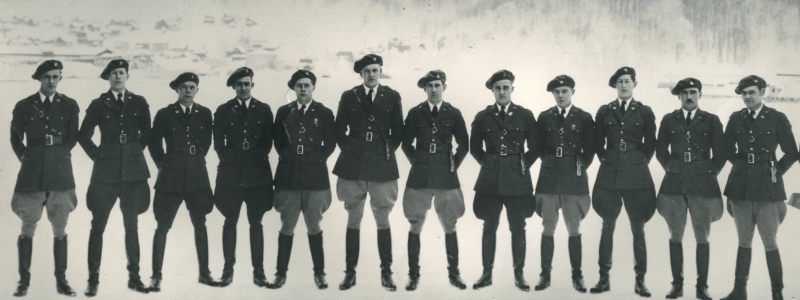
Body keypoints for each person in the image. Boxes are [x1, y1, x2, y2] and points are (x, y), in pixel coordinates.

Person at [77, 59, 152, 296]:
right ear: (107, 77)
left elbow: (147, 133)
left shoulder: (139, 102)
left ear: (127, 75)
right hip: (106, 172)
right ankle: (93, 279)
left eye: (121, 73)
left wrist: (133, 151)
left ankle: (135, 276)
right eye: (113, 74)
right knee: (98, 224)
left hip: (133, 173)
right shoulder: (99, 104)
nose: (117, 77)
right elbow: (83, 135)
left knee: (132, 225)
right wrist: (98, 156)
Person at [720, 75, 798, 300]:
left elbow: (791, 152)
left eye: (751, 92)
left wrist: (774, 170)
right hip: (740, 188)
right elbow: (727, 148)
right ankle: (739, 291)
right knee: (744, 241)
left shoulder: (777, 118)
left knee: (770, 242)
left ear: (762, 92)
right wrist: (740, 165)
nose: (747, 97)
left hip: (768, 189)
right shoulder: (736, 118)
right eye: (744, 93)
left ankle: (777, 294)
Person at [332, 54, 404, 291]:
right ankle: (350, 273)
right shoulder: (349, 96)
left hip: (382, 165)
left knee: (382, 217)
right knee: (354, 218)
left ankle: (386, 272)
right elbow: (339, 130)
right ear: (361, 74)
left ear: (381, 71)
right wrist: (353, 150)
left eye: (375, 70)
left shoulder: (392, 96)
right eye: (367, 71)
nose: (371, 75)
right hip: (353, 165)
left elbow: (399, 132)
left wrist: (384, 152)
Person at [10, 60, 80, 297]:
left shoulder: (69, 105)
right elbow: (16, 137)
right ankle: (24, 282)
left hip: (60, 174)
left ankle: (62, 281)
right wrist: (27, 157)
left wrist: (59, 155)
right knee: (27, 225)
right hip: (31, 174)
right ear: (39, 78)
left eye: (56, 76)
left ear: (60, 78)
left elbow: (73, 137)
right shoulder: (24, 106)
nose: (51, 81)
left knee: (60, 227)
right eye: (47, 77)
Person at [655, 78, 726, 300]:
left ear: (700, 95)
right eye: (684, 93)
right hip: (674, 184)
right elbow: (660, 150)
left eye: (693, 92)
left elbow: (721, 153)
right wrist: (670, 166)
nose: (689, 97)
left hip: (703, 184)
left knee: (702, 236)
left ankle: (701, 287)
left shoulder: (711, 120)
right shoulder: (669, 120)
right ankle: (677, 285)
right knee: (675, 234)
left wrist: (709, 171)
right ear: (679, 96)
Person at [590, 66, 657, 297]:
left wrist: (637, 162)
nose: (624, 85)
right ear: (615, 86)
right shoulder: (604, 111)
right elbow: (598, 144)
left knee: (637, 228)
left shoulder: (645, 112)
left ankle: (640, 281)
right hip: (609, 175)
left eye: (628, 81)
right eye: (620, 82)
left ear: (634, 84)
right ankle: (603, 278)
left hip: (637, 176)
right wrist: (610, 161)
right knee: (607, 227)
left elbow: (650, 145)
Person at [470, 70, 540, 292]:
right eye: (497, 88)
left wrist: (520, 165)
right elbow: (474, 148)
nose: (502, 91)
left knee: (518, 227)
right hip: (490, 181)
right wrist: (489, 163)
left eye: (505, 87)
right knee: (489, 226)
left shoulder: (526, 115)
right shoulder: (482, 116)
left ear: (512, 89)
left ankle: (519, 274)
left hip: (517, 180)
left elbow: (536, 147)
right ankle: (486, 273)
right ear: (492, 90)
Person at [147, 72, 217, 291]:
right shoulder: (165, 114)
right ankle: (156, 275)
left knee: (200, 223)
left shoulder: (204, 113)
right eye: (184, 87)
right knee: (163, 225)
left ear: (197, 90)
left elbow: (205, 144)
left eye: (192, 87)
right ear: (177, 90)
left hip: (197, 175)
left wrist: (193, 159)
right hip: (170, 177)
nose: (188, 91)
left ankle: (204, 273)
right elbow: (154, 144)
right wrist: (166, 165)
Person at [400, 70, 469, 291]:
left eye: (437, 85)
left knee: (450, 223)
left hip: (445, 175)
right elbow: (405, 143)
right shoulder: (415, 113)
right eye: (429, 86)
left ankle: (454, 273)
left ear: (444, 87)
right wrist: (417, 161)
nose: (433, 89)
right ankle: (413, 275)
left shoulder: (454, 113)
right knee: (415, 223)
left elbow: (464, 145)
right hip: (420, 175)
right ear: (425, 89)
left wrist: (452, 166)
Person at [270, 70, 336, 290]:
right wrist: (288, 157)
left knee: (314, 226)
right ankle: (280, 274)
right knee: (287, 225)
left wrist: (317, 159)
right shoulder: (284, 112)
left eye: (307, 85)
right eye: (299, 85)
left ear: (313, 87)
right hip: (288, 177)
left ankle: (320, 273)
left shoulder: (324, 113)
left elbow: (330, 143)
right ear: (294, 89)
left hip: (315, 178)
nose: (303, 89)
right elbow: (278, 141)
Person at [533, 75, 595, 293]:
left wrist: (577, 165)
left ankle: (577, 275)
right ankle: (545, 274)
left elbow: (590, 150)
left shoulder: (585, 117)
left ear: (572, 93)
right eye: (557, 92)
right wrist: (551, 162)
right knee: (548, 226)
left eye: (565, 91)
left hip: (573, 178)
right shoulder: (544, 117)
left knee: (574, 227)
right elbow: (538, 146)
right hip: (549, 178)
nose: (560, 95)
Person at [212, 67, 273, 288]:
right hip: (231, 174)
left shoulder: (264, 110)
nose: (243, 88)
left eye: (247, 84)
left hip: (257, 174)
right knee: (230, 221)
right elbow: (218, 143)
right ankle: (228, 270)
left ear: (252, 86)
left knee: (256, 222)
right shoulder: (223, 110)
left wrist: (254, 158)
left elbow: (268, 143)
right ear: (234, 87)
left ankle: (259, 271)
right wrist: (231, 159)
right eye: (239, 85)